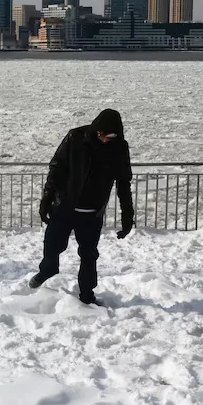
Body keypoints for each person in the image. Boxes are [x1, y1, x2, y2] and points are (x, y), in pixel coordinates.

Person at [29, 109, 135, 305]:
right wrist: (46, 199)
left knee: (89, 255)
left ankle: (87, 294)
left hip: (92, 213)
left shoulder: (120, 148)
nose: (105, 139)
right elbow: (56, 168)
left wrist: (128, 217)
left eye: (110, 136)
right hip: (65, 206)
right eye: (102, 134)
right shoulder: (75, 137)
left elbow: (124, 183)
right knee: (52, 244)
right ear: (96, 130)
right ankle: (47, 270)